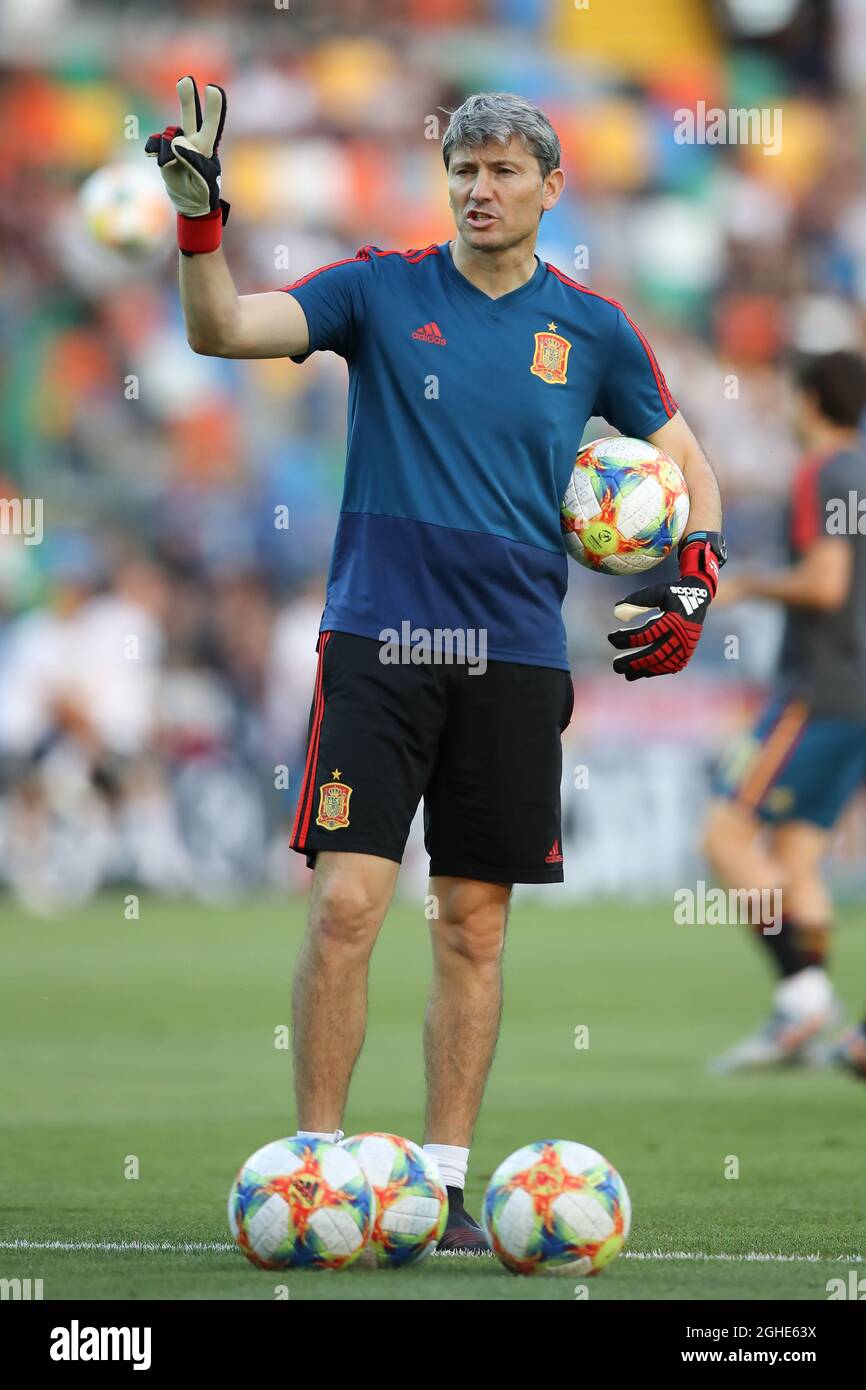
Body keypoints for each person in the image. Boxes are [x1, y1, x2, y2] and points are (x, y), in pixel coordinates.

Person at [148, 80, 724, 1249]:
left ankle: (440, 1190)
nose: (478, 188)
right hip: (377, 641)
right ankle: (317, 1171)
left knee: (471, 922)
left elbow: (685, 466)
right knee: (348, 904)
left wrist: (695, 575)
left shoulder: (596, 329)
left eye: (505, 170)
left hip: (513, 654)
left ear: (549, 189)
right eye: (464, 170)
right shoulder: (377, 288)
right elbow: (221, 329)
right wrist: (198, 227)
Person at [705, 351, 866, 1080]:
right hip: (856, 693)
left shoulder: (820, 473)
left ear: (807, 401)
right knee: (799, 853)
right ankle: (811, 1021)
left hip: (817, 689)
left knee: (724, 833)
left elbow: (827, 584)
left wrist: (747, 588)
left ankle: (802, 997)